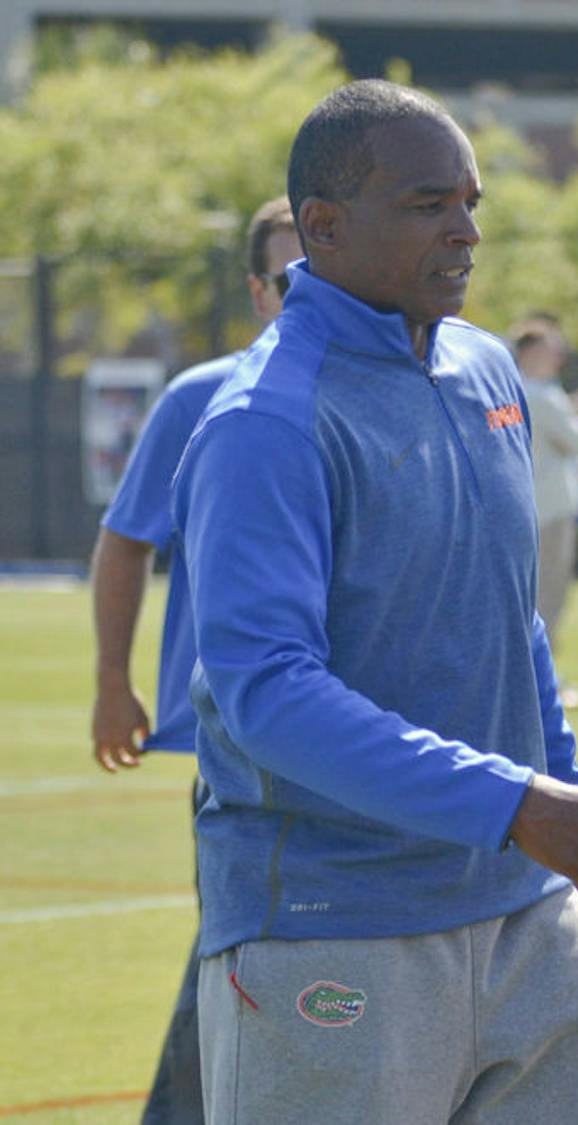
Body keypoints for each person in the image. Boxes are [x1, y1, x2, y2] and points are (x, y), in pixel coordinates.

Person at [172, 79, 578, 1122]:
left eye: (472, 201)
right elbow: (266, 696)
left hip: (523, 911)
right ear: (323, 226)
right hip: (330, 923)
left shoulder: (488, 369)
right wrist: (515, 805)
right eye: (427, 204)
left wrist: (560, 817)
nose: (465, 231)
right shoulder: (264, 421)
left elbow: (511, 616)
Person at [89, 194, 300, 1124]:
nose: (309, 292)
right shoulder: (204, 395)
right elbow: (126, 537)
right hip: (240, 741)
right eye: (291, 275)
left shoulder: (408, 383)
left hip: (366, 736)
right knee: (242, 952)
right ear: (258, 291)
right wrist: (112, 681)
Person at [512, 314, 578, 709]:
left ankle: (540, 678)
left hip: (533, 508)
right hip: (548, 511)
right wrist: (574, 409)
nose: (558, 355)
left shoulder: (519, 389)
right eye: (549, 348)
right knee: (547, 597)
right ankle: (543, 683)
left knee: (541, 597)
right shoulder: (541, 394)